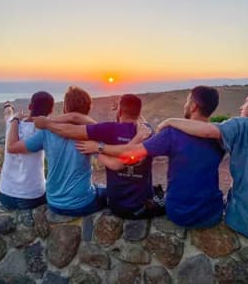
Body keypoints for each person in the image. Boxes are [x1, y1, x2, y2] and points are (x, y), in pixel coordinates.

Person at [77, 86, 225, 228]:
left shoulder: (170, 134)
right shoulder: (223, 136)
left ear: (193, 107)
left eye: (187, 101)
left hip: (174, 213)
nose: (185, 105)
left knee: (157, 193)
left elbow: (129, 155)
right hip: (213, 214)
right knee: (158, 192)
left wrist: (98, 148)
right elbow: (147, 131)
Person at [157, 90, 248, 242]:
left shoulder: (245, 125)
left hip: (247, 222)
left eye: (246, 102)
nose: (241, 106)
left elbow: (208, 131)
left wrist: (169, 122)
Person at [34, 94, 163, 219]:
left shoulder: (108, 130)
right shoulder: (148, 132)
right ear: (139, 113)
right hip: (141, 206)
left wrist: (47, 124)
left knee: (99, 189)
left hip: (116, 206)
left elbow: (71, 129)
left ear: (120, 111)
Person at [7, 86, 106, 216]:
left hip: (53, 203)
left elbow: (12, 147)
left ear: (65, 108)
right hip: (82, 204)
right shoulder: (91, 132)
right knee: (105, 192)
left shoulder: (47, 132)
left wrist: (14, 119)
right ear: (87, 109)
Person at [0, 92, 54, 210]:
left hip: (5, 195)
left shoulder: (12, 123)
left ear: (30, 107)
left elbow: (7, 114)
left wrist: (8, 107)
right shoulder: (44, 131)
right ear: (50, 112)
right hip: (31, 197)